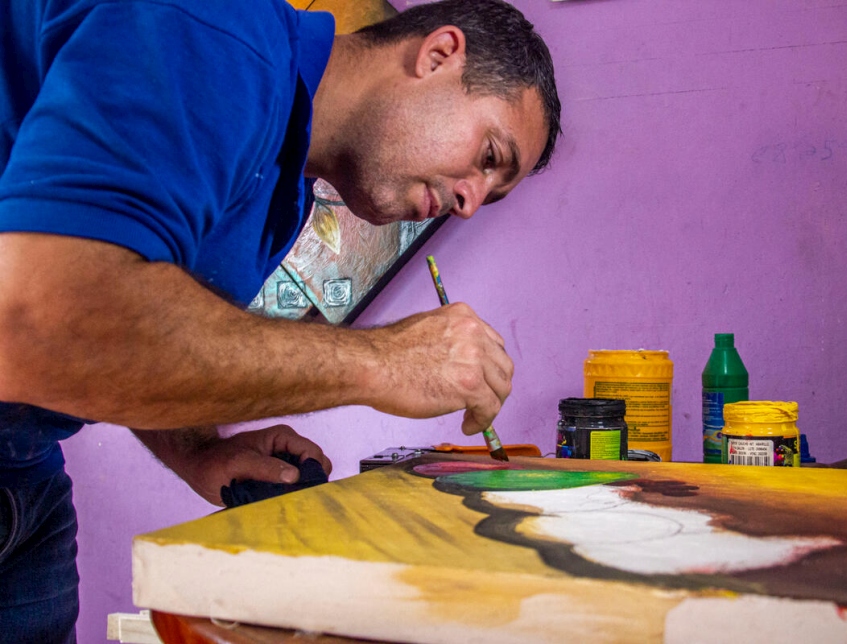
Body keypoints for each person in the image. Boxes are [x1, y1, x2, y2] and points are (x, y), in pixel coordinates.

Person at [0, 0, 561, 639]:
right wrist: (388, 362)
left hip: (27, 474)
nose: (469, 203)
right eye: (490, 156)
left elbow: (123, 323)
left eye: (493, 197)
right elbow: (42, 322)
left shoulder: (282, 182)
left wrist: (198, 450)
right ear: (438, 55)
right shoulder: (211, 27)